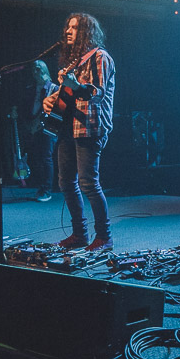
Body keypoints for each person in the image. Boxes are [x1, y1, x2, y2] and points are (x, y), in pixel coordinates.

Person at [42, 13, 116, 252]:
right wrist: (50, 100)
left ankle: (104, 237)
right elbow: (65, 95)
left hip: (89, 128)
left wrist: (76, 86)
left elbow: (98, 92)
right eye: (68, 27)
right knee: (65, 182)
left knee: (89, 183)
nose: (68, 32)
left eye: (74, 28)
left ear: (86, 32)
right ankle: (80, 234)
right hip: (67, 128)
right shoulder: (74, 63)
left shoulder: (100, 57)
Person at [25, 60, 59, 202]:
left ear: (44, 70)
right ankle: (40, 186)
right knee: (36, 157)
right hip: (33, 125)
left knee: (46, 157)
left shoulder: (53, 88)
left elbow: (56, 110)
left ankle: (47, 189)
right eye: (33, 69)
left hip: (48, 127)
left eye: (38, 69)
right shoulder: (31, 88)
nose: (35, 72)